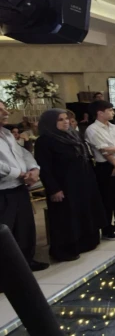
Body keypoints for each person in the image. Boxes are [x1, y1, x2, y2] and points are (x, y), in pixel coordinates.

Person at [34, 109, 106, 261]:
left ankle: (86, 242)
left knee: (85, 212)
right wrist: (54, 189)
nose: (66, 122)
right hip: (64, 185)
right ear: (50, 122)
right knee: (66, 217)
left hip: (83, 182)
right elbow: (44, 168)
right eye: (60, 119)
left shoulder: (74, 135)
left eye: (66, 118)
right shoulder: (45, 141)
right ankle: (66, 249)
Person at [0, 101, 48, 271]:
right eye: (0, 110)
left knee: (24, 227)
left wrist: (34, 169)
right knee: (6, 230)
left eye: (4, 108)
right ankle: (7, 271)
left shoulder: (6, 134)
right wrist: (20, 173)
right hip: (3, 190)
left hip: (19, 187)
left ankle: (26, 262)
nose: (6, 112)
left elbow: (24, 154)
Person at [85, 100, 115, 240]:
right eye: (110, 110)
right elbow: (103, 150)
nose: (113, 112)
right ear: (100, 113)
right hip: (106, 165)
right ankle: (107, 228)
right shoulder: (92, 129)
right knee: (107, 197)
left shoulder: (114, 127)